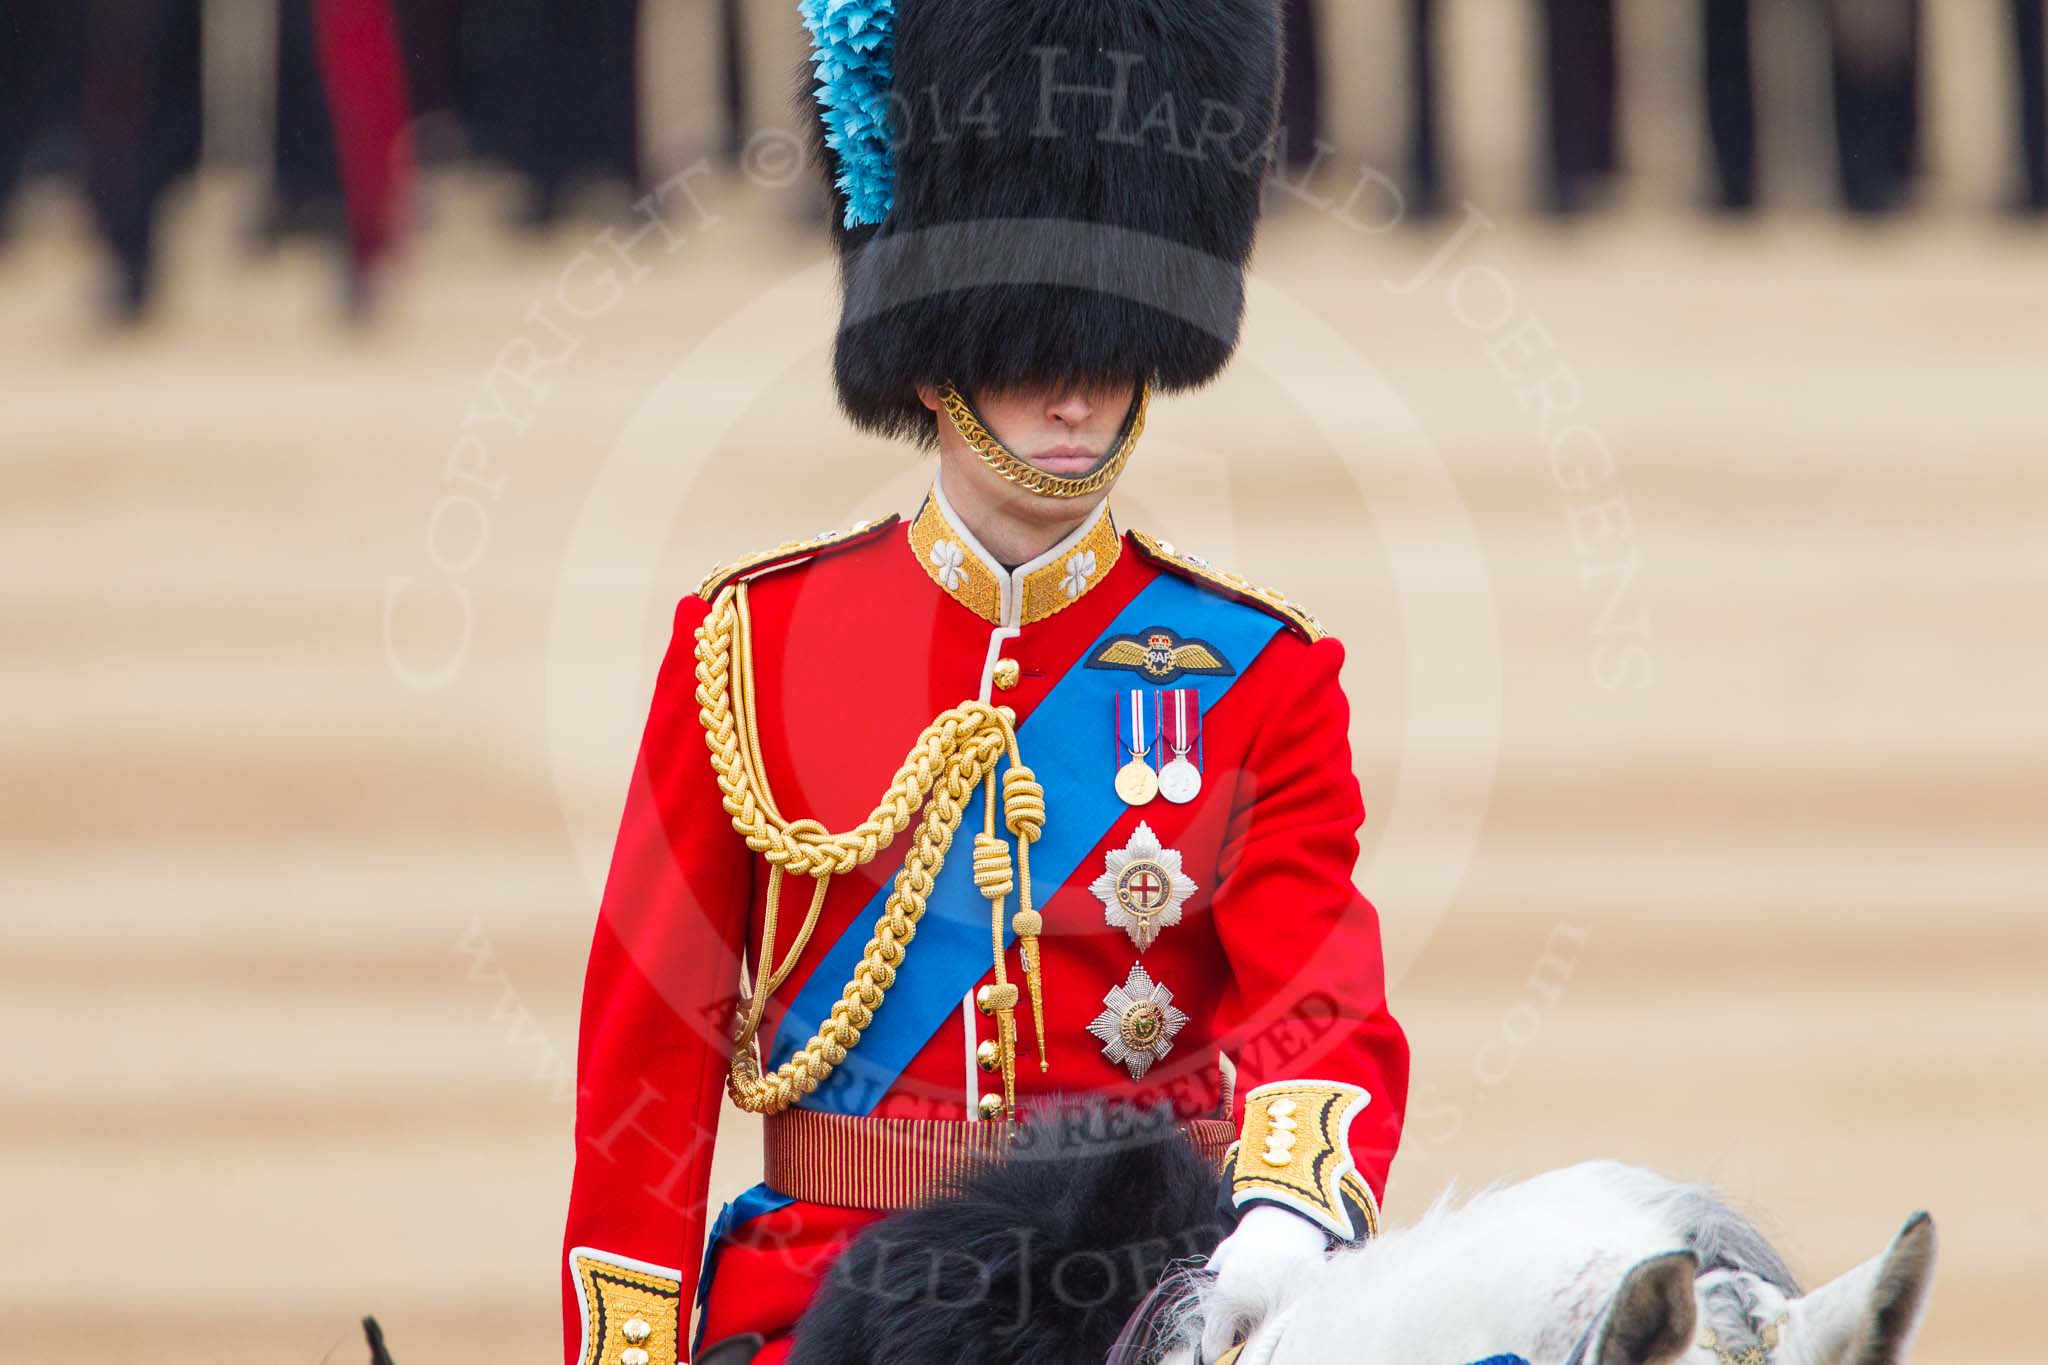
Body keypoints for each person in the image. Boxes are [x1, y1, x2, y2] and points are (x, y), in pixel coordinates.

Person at [558, 2, 1410, 1362]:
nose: (1073, 398)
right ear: (940, 346)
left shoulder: (1260, 674)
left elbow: (1319, 1000)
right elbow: (647, 1075)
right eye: (1028, 352)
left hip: (1137, 1309)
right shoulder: (751, 647)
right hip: (829, 1303)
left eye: (1108, 346)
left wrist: (1288, 1215)